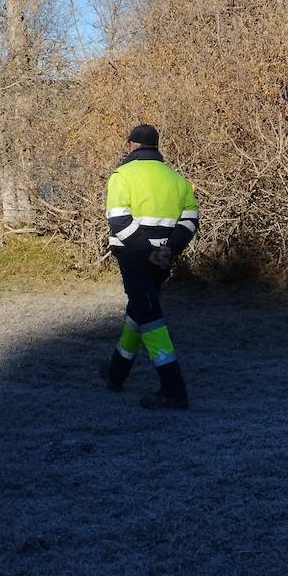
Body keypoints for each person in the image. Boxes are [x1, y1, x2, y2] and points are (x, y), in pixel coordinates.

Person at [99, 124, 199, 409]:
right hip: (164, 259)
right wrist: (168, 249)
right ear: (155, 146)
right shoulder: (176, 179)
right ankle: (115, 373)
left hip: (133, 256)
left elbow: (119, 222)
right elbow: (190, 220)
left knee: (149, 315)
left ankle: (173, 389)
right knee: (140, 310)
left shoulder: (122, 176)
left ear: (131, 145)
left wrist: (148, 252)